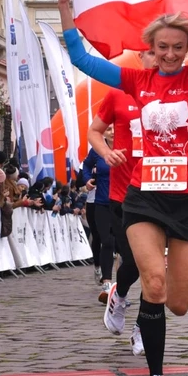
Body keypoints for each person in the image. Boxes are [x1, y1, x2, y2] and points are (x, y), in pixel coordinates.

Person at [58, 0, 188, 376]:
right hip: (145, 198)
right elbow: (80, 58)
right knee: (153, 283)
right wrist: (66, 8)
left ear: (187, 47)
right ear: (151, 49)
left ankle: (142, 314)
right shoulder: (136, 80)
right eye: (163, 47)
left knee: (175, 303)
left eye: (178, 46)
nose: (171, 54)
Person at [89, 65, 155, 357]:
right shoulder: (117, 94)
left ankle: (143, 327)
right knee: (135, 261)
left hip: (163, 191)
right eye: (153, 50)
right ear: (142, 54)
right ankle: (121, 293)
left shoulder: (177, 94)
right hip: (124, 193)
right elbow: (94, 132)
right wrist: (106, 153)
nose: (159, 56)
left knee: (154, 269)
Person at [81, 127, 116, 304]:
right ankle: (106, 280)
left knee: (123, 246)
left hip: (123, 203)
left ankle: (121, 288)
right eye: (109, 128)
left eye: (116, 127)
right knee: (104, 240)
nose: (112, 131)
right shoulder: (97, 150)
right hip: (100, 202)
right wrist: (87, 180)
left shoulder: (130, 147)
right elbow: (85, 166)